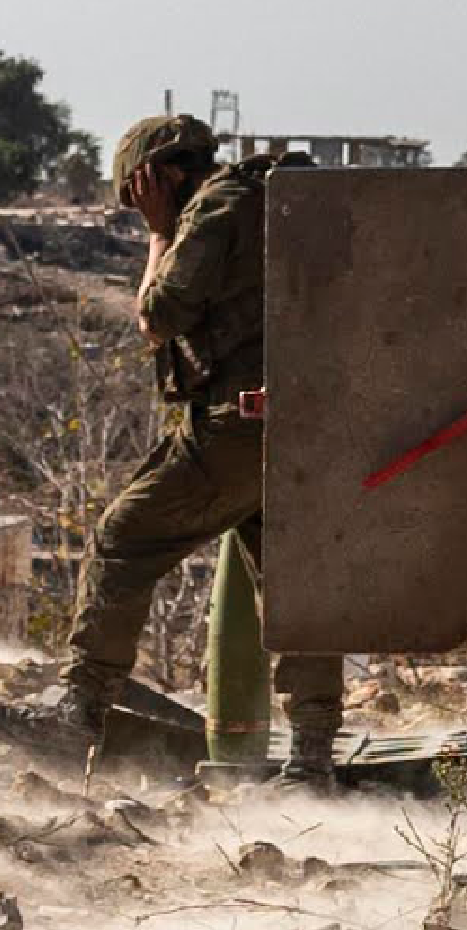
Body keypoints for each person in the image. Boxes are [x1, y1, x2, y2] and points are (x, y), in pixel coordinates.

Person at [29, 111, 344, 779]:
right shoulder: (266, 199)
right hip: (304, 425)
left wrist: (156, 233)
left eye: (138, 193)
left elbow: (157, 316)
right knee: (294, 589)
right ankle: (312, 756)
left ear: (162, 177)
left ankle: (78, 714)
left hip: (239, 428)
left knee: (123, 538)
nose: (139, 207)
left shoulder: (213, 208)